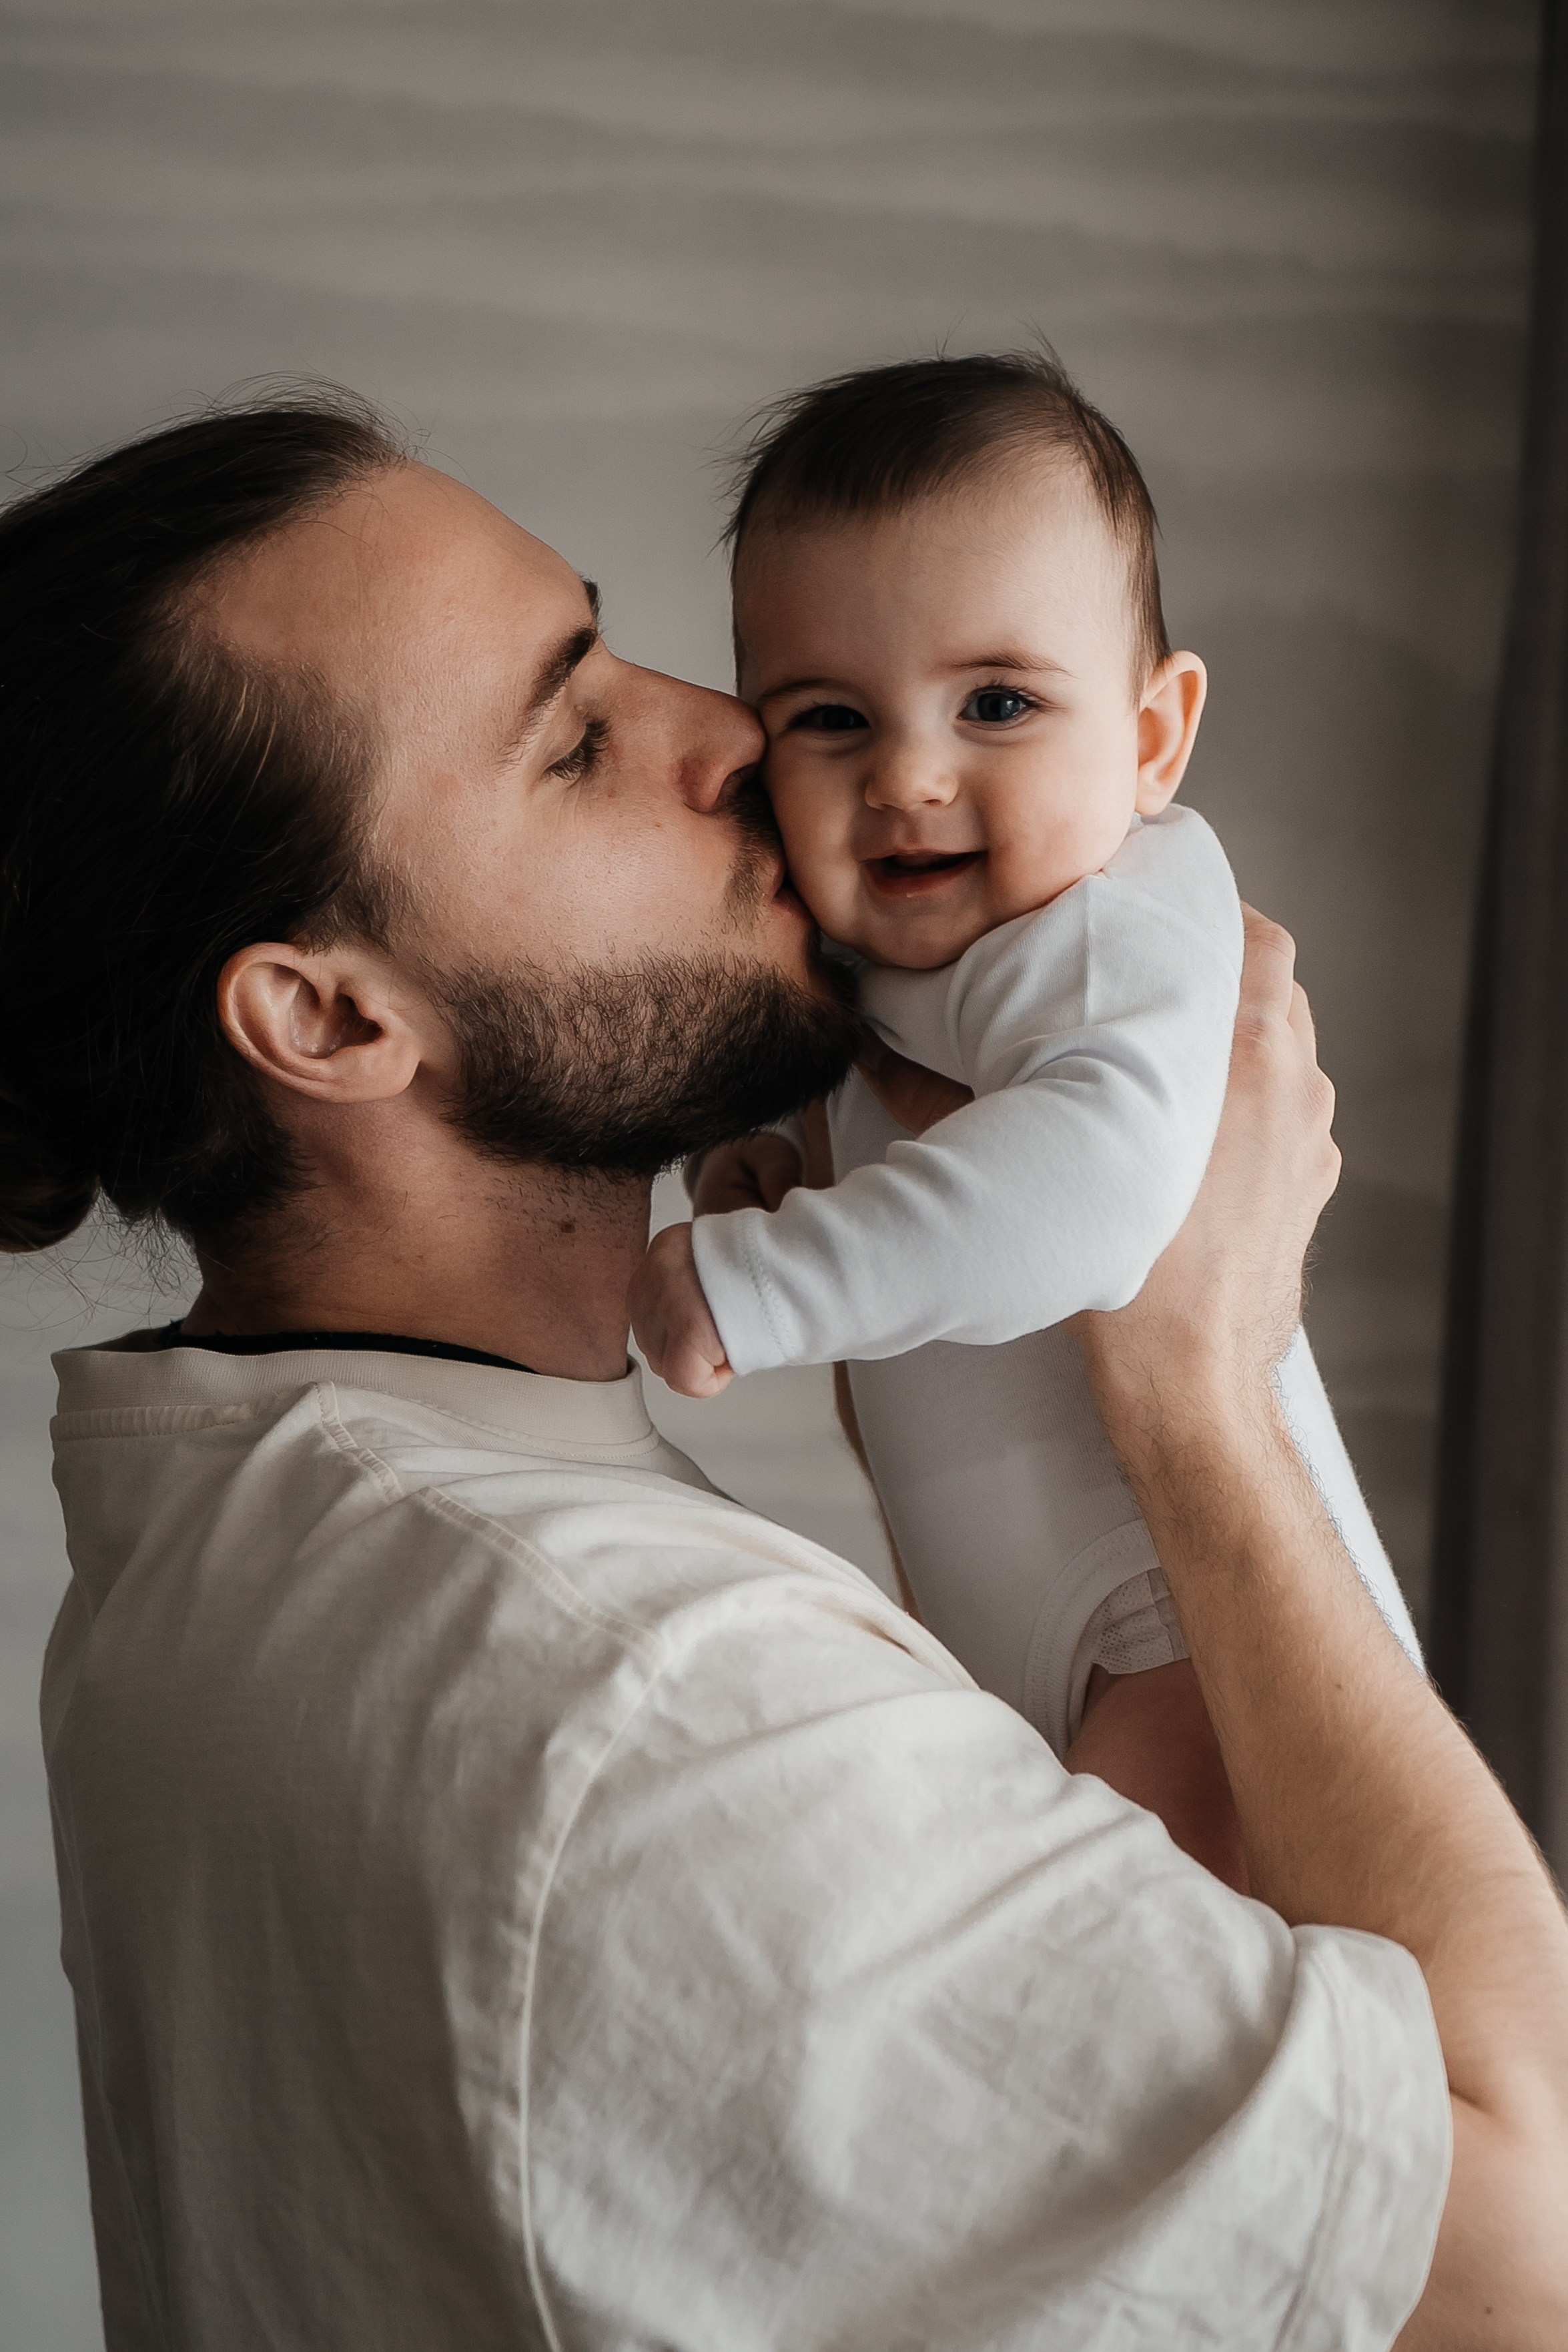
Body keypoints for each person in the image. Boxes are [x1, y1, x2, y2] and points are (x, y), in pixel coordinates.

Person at [3, 394, 1566, 2348]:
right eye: (573, 737)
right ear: (326, 1013)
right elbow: (1528, 2250)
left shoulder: (229, 1534)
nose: (735, 735)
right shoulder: (640, 1704)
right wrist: (1198, 1388)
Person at [631, 352, 1419, 1757]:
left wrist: (762, 1281)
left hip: (1173, 1621)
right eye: (829, 717)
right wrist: (752, 1149)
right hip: (1036, 1614)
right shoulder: (913, 939)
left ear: (1150, 737)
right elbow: (875, 1096)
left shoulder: (1117, 921)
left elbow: (1092, 1192)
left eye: (994, 703)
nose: (908, 776)